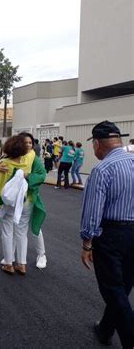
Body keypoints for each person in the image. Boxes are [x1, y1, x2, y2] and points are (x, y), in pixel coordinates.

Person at [79, 121, 133, 348]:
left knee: (113, 290)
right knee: (123, 287)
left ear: (98, 144)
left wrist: (87, 243)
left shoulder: (103, 170)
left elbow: (93, 211)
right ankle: (105, 329)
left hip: (113, 235)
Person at [0, 133, 47, 271]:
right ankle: (18, 262)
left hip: (26, 199)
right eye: (25, 142)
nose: (28, 145)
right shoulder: (21, 159)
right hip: (22, 201)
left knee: (33, 228)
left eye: (30, 142)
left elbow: (42, 175)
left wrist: (27, 176)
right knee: (19, 231)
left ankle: (40, 254)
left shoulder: (32, 158)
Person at [0, 135, 33, 275]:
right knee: (22, 233)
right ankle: (22, 264)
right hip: (22, 203)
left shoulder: (4, 163)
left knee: (7, 232)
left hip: (6, 203)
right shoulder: (26, 164)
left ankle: (8, 263)